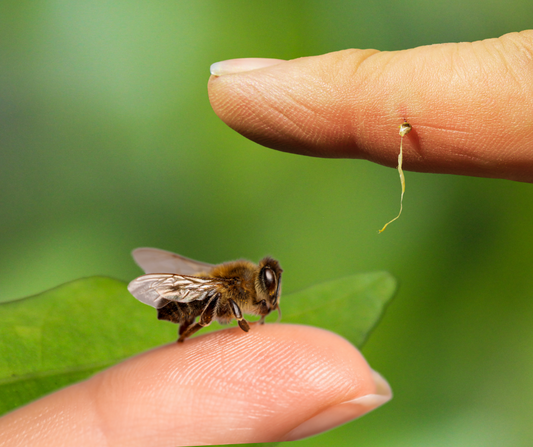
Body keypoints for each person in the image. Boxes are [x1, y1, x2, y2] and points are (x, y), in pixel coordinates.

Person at [1, 30, 531, 446]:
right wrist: (216, 327)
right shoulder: (231, 288)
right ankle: (187, 338)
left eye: (270, 288)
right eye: (269, 288)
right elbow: (205, 291)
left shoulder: (247, 284)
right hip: (194, 298)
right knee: (206, 301)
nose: (270, 295)